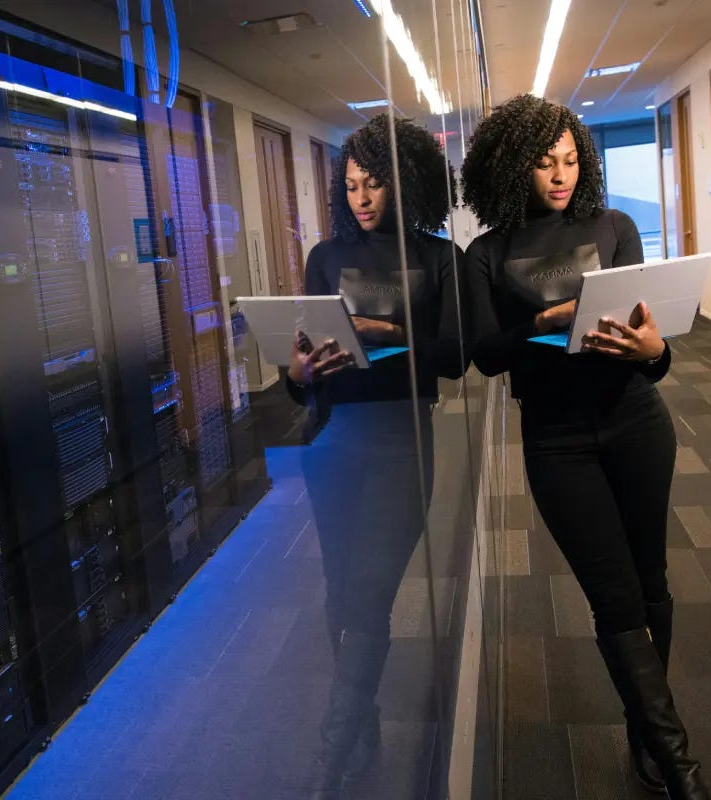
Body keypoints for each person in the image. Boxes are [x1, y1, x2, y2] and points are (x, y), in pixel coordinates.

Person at [458, 94, 710, 799]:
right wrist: (551, 317)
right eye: (544, 164)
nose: (560, 176)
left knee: (650, 580)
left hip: (636, 421)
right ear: (513, 167)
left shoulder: (615, 226)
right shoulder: (488, 253)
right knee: (613, 595)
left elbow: (648, 355)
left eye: (570, 160)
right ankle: (680, 763)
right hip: (557, 439)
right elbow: (484, 354)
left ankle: (647, 734)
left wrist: (656, 349)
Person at [282, 113, 463, 798]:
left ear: (405, 181)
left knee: (370, 591)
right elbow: (301, 373)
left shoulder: (437, 257)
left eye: (374, 183)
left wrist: (394, 330)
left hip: (402, 437)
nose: (361, 197)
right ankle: (361, 725)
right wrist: (297, 375)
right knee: (340, 594)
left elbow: (454, 359)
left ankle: (329, 757)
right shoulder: (325, 258)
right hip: (333, 439)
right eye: (352, 185)